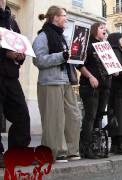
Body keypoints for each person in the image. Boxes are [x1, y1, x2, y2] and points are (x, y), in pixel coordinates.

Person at [33, 6, 81, 162]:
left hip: (66, 81)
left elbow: (67, 58)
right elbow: (38, 60)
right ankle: (56, 151)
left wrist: (77, 55)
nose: (66, 18)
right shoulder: (43, 36)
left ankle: (71, 150)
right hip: (50, 82)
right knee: (54, 119)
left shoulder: (62, 37)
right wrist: (62, 56)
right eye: (64, 16)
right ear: (55, 17)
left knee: (74, 116)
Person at [0, 0, 31, 167]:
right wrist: (5, 53)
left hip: (11, 76)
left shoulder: (12, 21)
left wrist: (20, 56)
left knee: (21, 114)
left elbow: (20, 45)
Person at [77, 22, 110, 159]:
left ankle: (96, 146)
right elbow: (79, 63)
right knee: (90, 117)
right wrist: (90, 76)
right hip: (89, 86)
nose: (104, 30)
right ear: (95, 30)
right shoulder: (87, 45)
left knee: (99, 116)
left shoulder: (104, 46)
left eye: (105, 28)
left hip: (103, 86)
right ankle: (85, 148)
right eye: (101, 28)